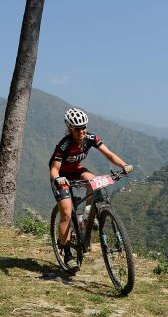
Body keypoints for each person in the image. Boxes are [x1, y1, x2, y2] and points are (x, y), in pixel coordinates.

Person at [49, 107, 133, 271]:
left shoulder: (90, 138)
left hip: (77, 170)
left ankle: (85, 215)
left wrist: (124, 165)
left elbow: (108, 154)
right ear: (70, 129)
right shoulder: (64, 144)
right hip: (61, 177)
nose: (82, 131)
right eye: (78, 129)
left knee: (95, 183)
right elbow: (54, 168)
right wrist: (58, 178)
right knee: (66, 212)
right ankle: (67, 254)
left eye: (84, 127)